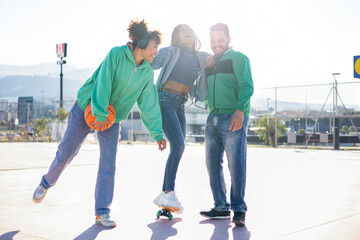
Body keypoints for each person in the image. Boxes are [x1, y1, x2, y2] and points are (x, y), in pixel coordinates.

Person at [32, 19, 166, 228]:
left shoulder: (147, 73)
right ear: (142, 42)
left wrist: (157, 133)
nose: (157, 52)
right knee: (67, 150)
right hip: (87, 108)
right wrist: (100, 113)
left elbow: (149, 103)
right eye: (155, 46)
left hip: (112, 120)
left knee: (108, 164)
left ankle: (102, 212)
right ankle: (45, 183)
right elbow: (103, 82)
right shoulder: (116, 55)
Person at [150, 24, 210, 213]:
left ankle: (167, 193)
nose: (188, 32)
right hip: (166, 101)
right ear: (176, 36)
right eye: (183, 30)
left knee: (179, 147)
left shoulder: (200, 56)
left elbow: (215, 61)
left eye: (191, 30)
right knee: (178, 146)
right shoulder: (170, 51)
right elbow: (152, 63)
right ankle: (168, 191)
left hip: (180, 105)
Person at [199, 23, 254, 226]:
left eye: (220, 41)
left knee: (236, 164)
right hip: (212, 117)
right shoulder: (210, 62)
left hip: (233, 117)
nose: (216, 44)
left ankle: (239, 208)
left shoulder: (239, 58)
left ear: (229, 40)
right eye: (213, 41)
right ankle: (221, 207)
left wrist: (240, 110)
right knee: (212, 164)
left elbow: (247, 86)